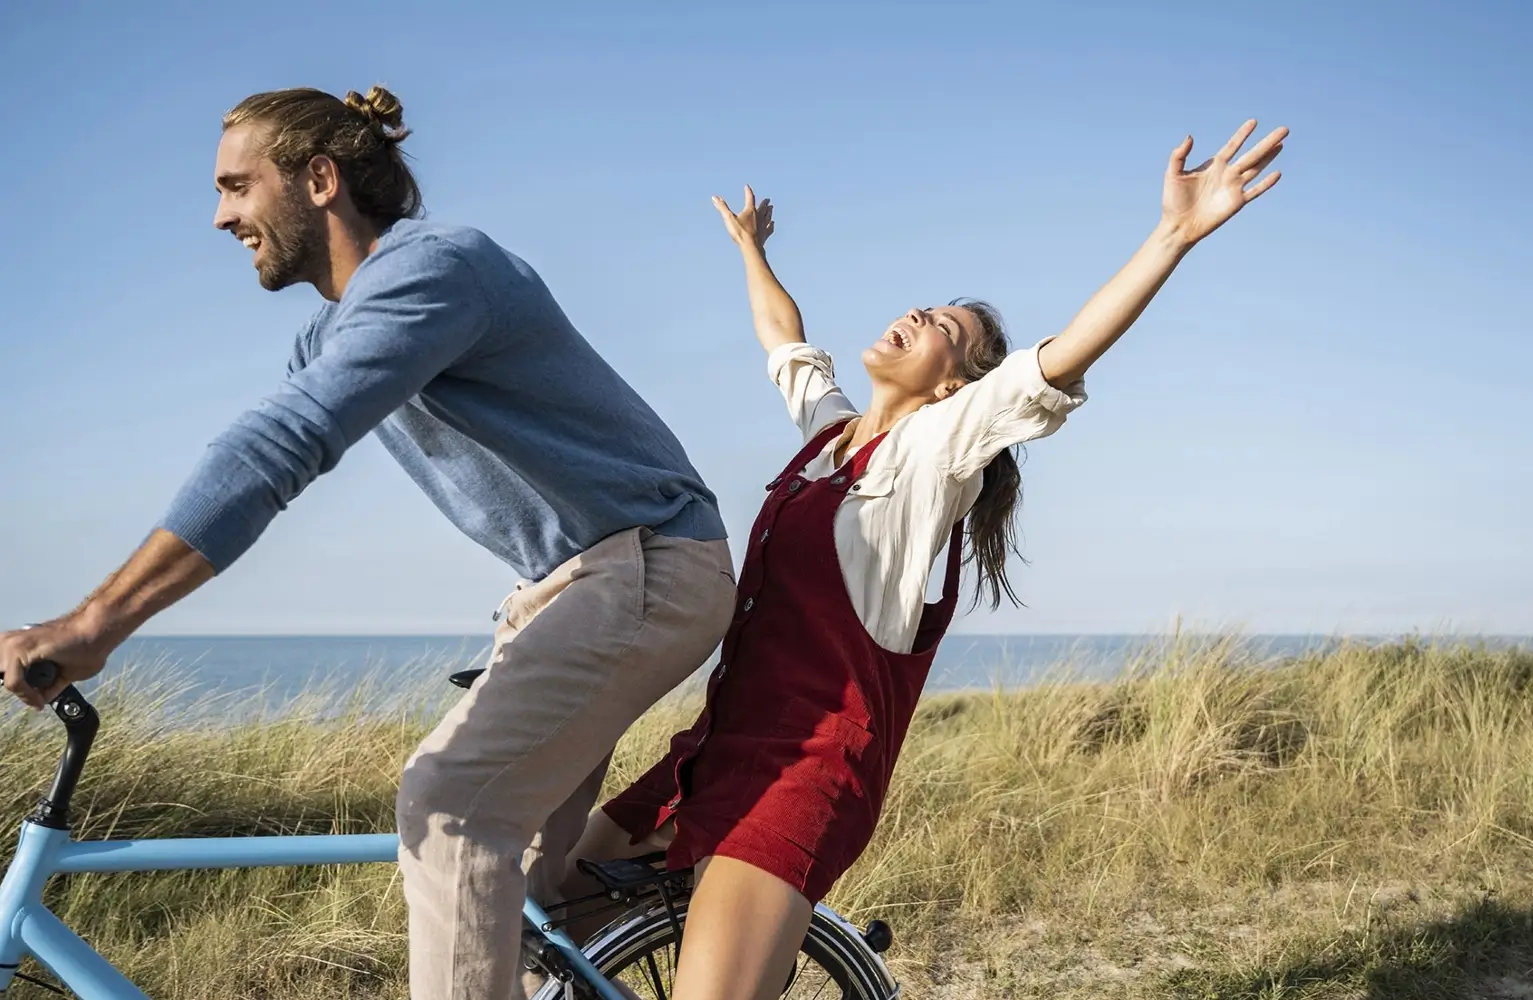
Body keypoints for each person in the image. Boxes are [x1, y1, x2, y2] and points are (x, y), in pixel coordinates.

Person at [0, 87, 739, 1000]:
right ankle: (642, 915)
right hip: (575, 585)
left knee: (452, 811)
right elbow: (273, 448)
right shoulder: (329, 334)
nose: (219, 215)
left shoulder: (438, 267)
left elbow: (287, 442)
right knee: (530, 888)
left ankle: (726, 892)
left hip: (648, 565)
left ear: (318, 180)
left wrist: (96, 621)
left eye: (237, 186)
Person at [564, 119, 1286, 998]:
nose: (912, 313)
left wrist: (1172, 234)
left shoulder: (938, 455)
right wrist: (751, 249)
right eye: (921, 305)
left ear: (954, 384)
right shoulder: (829, 442)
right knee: (546, 912)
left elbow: (1058, 359)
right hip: (712, 750)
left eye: (942, 324)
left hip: (804, 773)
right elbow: (785, 344)